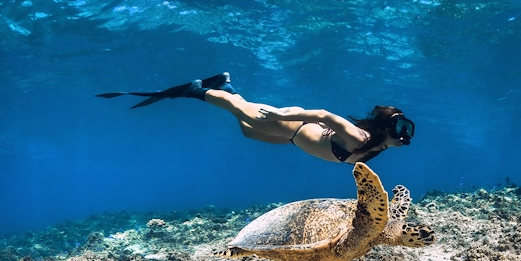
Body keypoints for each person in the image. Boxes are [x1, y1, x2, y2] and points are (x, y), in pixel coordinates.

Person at [96, 72, 415, 164]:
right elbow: (322, 114)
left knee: (247, 132)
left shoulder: (380, 146)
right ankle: (195, 91)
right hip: (295, 123)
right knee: (240, 111)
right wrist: (279, 114)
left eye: (405, 128)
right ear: (388, 128)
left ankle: (226, 85)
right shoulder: (359, 138)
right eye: (401, 127)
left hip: (293, 137)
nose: (405, 135)